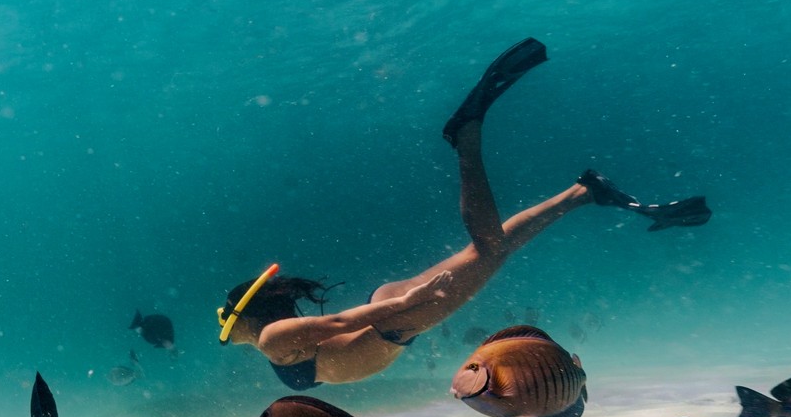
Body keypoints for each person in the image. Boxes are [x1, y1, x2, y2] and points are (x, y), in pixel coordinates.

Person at [218, 38, 710, 391]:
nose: (224, 328)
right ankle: (583, 193)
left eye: (226, 319)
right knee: (490, 249)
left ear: (245, 316)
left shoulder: (270, 338)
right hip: (393, 312)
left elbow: (346, 318)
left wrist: (409, 301)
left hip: (396, 320)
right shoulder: (271, 337)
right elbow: (341, 323)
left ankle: (465, 140)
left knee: (491, 250)